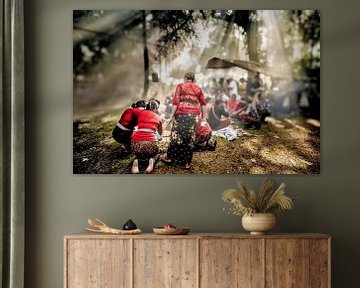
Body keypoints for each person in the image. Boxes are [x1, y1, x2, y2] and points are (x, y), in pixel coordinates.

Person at [163, 72, 206, 169]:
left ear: (185, 78)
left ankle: (169, 158)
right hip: (193, 115)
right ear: (193, 79)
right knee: (190, 137)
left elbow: (175, 102)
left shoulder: (180, 86)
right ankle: (187, 162)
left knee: (176, 135)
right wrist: (203, 118)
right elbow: (203, 104)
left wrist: (171, 116)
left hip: (181, 113)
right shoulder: (198, 88)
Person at [130, 100, 163, 174]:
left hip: (136, 145)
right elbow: (160, 134)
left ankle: (136, 161)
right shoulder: (158, 118)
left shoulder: (141, 113)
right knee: (156, 154)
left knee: (139, 155)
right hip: (150, 144)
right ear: (156, 108)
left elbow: (132, 110)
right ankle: (152, 161)